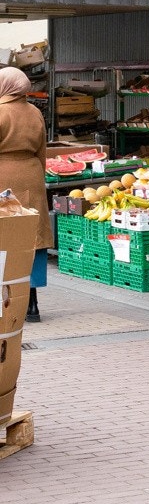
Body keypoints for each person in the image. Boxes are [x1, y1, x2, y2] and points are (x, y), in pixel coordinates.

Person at [0, 67, 49, 321]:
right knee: (33, 239)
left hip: (3, 178)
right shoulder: (35, 113)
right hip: (32, 176)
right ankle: (32, 304)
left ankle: (5, 300)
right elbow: (42, 151)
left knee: (5, 239)